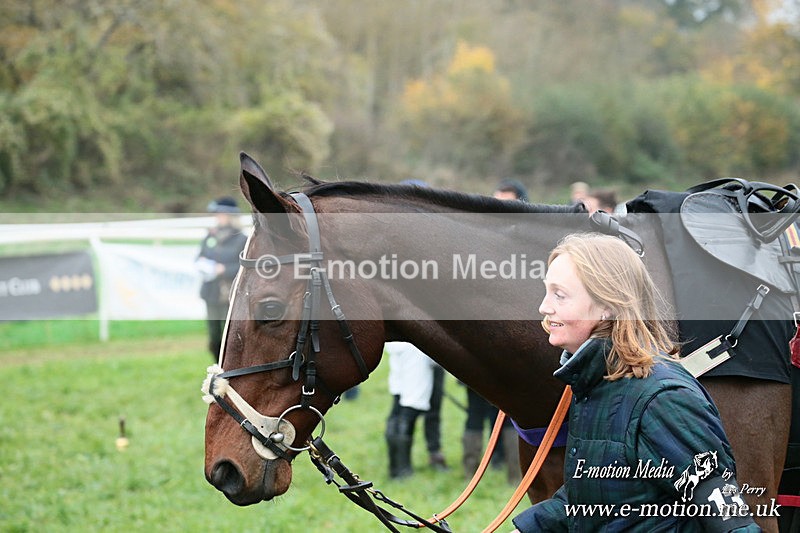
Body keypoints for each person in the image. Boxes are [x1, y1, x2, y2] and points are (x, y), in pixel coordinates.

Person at [512, 233, 757, 532]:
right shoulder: (598, 384)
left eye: (559, 295)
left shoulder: (663, 398)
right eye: (547, 292)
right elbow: (592, 499)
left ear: (607, 305)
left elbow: (729, 520)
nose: (543, 307)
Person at [384, 341, 448, 478]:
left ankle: (396, 468)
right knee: (409, 409)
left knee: (399, 410)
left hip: (402, 347)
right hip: (416, 350)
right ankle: (402, 469)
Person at [196, 197, 248, 360]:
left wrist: (224, 269)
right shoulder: (210, 236)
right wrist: (202, 263)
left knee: (231, 336)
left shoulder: (242, 239)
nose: (218, 217)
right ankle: (217, 367)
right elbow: (200, 256)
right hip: (211, 293)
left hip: (231, 294)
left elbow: (245, 267)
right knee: (214, 337)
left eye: (221, 213)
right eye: (217, 214)